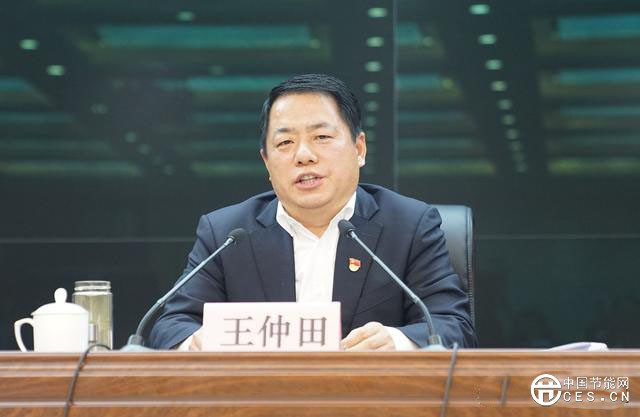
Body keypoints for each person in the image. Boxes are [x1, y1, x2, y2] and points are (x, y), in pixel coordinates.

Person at [148, 74, 477, 350]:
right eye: (285, 143)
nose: (304, 155)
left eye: (321, 137)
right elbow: (170, 325)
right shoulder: (227, 233)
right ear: (267, 162)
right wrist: (197, 342)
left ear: (359, 148)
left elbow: (453, 326)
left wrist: (396, 341)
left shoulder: (408, 225)